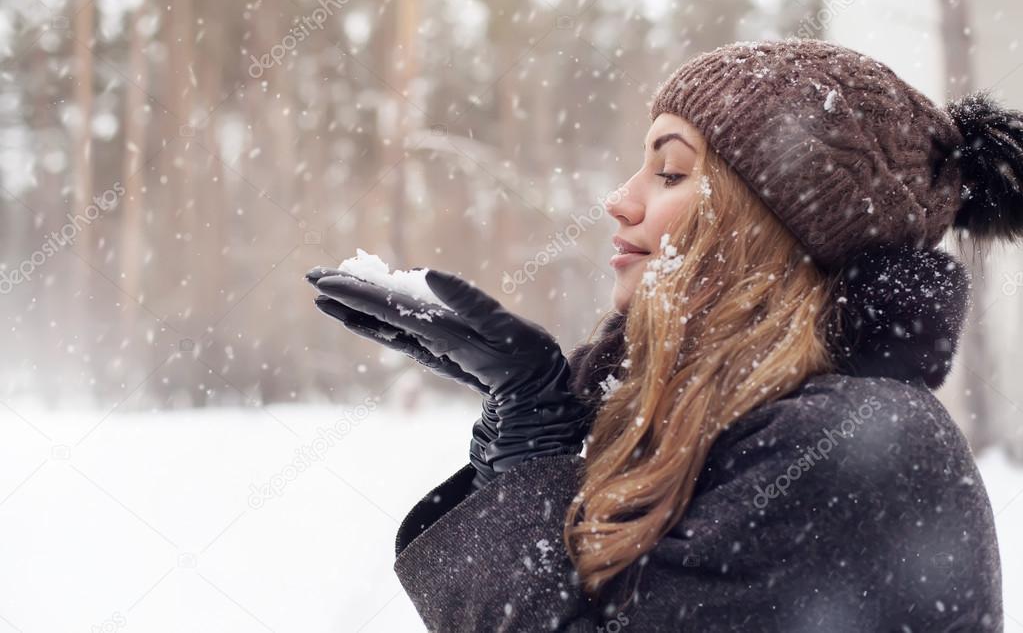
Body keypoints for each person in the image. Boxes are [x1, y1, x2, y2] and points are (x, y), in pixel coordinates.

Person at [306, 39, 1022, 631]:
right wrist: (521, 446)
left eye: (671, 170)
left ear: (776, 228)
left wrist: (534, 449)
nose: (620, 200)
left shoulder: (863, 445)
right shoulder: (728, 425)